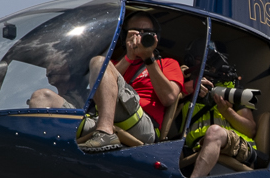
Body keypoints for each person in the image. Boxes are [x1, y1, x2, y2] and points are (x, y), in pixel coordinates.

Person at [76, 12, 187, 154]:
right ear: (125, 37)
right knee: (43, 97)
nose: (140, 37)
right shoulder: (113, 66)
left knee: (99, 62)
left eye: (146, 33)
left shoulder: (167, 64)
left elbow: (169, 98)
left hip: (142, 126)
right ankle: (103, 130)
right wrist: (129, 57)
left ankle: (105, 133)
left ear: (156, 38)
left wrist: (149, 59)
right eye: (135, 32)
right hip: (101, 119)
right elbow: (99, 88)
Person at [182, 48, 260, 178]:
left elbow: (250, 130)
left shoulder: (233, 90)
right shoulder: (187, 85)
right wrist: (187, 88)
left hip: (237, 147)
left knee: (214, 132)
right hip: (196, 146)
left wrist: (226, 111)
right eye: (199, 59)